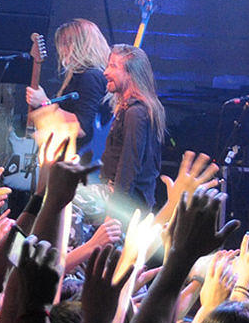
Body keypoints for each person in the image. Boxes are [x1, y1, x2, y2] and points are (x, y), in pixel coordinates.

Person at [26, 19, 113, 162]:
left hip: (80, 163)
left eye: (66, 43)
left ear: (81, 44)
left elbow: (81, 127)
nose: (62, 49)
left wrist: (44, 103)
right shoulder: (81, 76)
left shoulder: (90, 77)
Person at [99, 44, 164, 211]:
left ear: (130, 74)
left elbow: (129, 166)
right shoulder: (129, 109)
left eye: (113, 66)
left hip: (127, 206)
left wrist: (114, 211)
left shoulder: (136, 113)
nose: (106, 72)